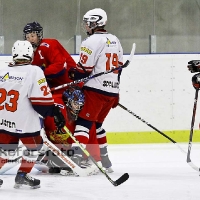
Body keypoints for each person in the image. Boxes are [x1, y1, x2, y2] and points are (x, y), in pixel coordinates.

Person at [0, 40, 65, 189]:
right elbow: (40, 102)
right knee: (34, 146)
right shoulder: (34, 71)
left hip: (3, 119)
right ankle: (22, 174)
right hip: (24, 122)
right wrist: (54, 112)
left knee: (5, 148)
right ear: (30, 54)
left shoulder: (2, 70)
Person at [68, 8, 123, 172]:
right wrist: (116, 92)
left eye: (88, 22)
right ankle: (106, 162)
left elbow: (84, 70)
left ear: (95, 23)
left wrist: (72, 74)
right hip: (111, 92)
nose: (86, 26)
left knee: (83, 123)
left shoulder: (90, 41)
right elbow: (119, 69)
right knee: (98, 124)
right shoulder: (115, 40)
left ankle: (76, 159)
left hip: (95, 91)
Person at [39, 85, 101, 175]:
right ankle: (52, 160)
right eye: (75, 105)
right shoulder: (54, 104)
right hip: (51, 144)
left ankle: (65, 160)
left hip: (67, 148)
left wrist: (94, 159)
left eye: (80, 105)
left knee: (89, 127)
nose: (77, 108)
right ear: (67, 101)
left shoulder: (83, 118)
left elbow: (90, 137)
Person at [23, 21, 76, 94]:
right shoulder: (30, 52)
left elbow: (60, 66)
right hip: (55, 88)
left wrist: (41, 72)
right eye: (27, 37)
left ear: (39, 35)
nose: (30, 39)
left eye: (32, 36)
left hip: (70, 86)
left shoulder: (49, 44)